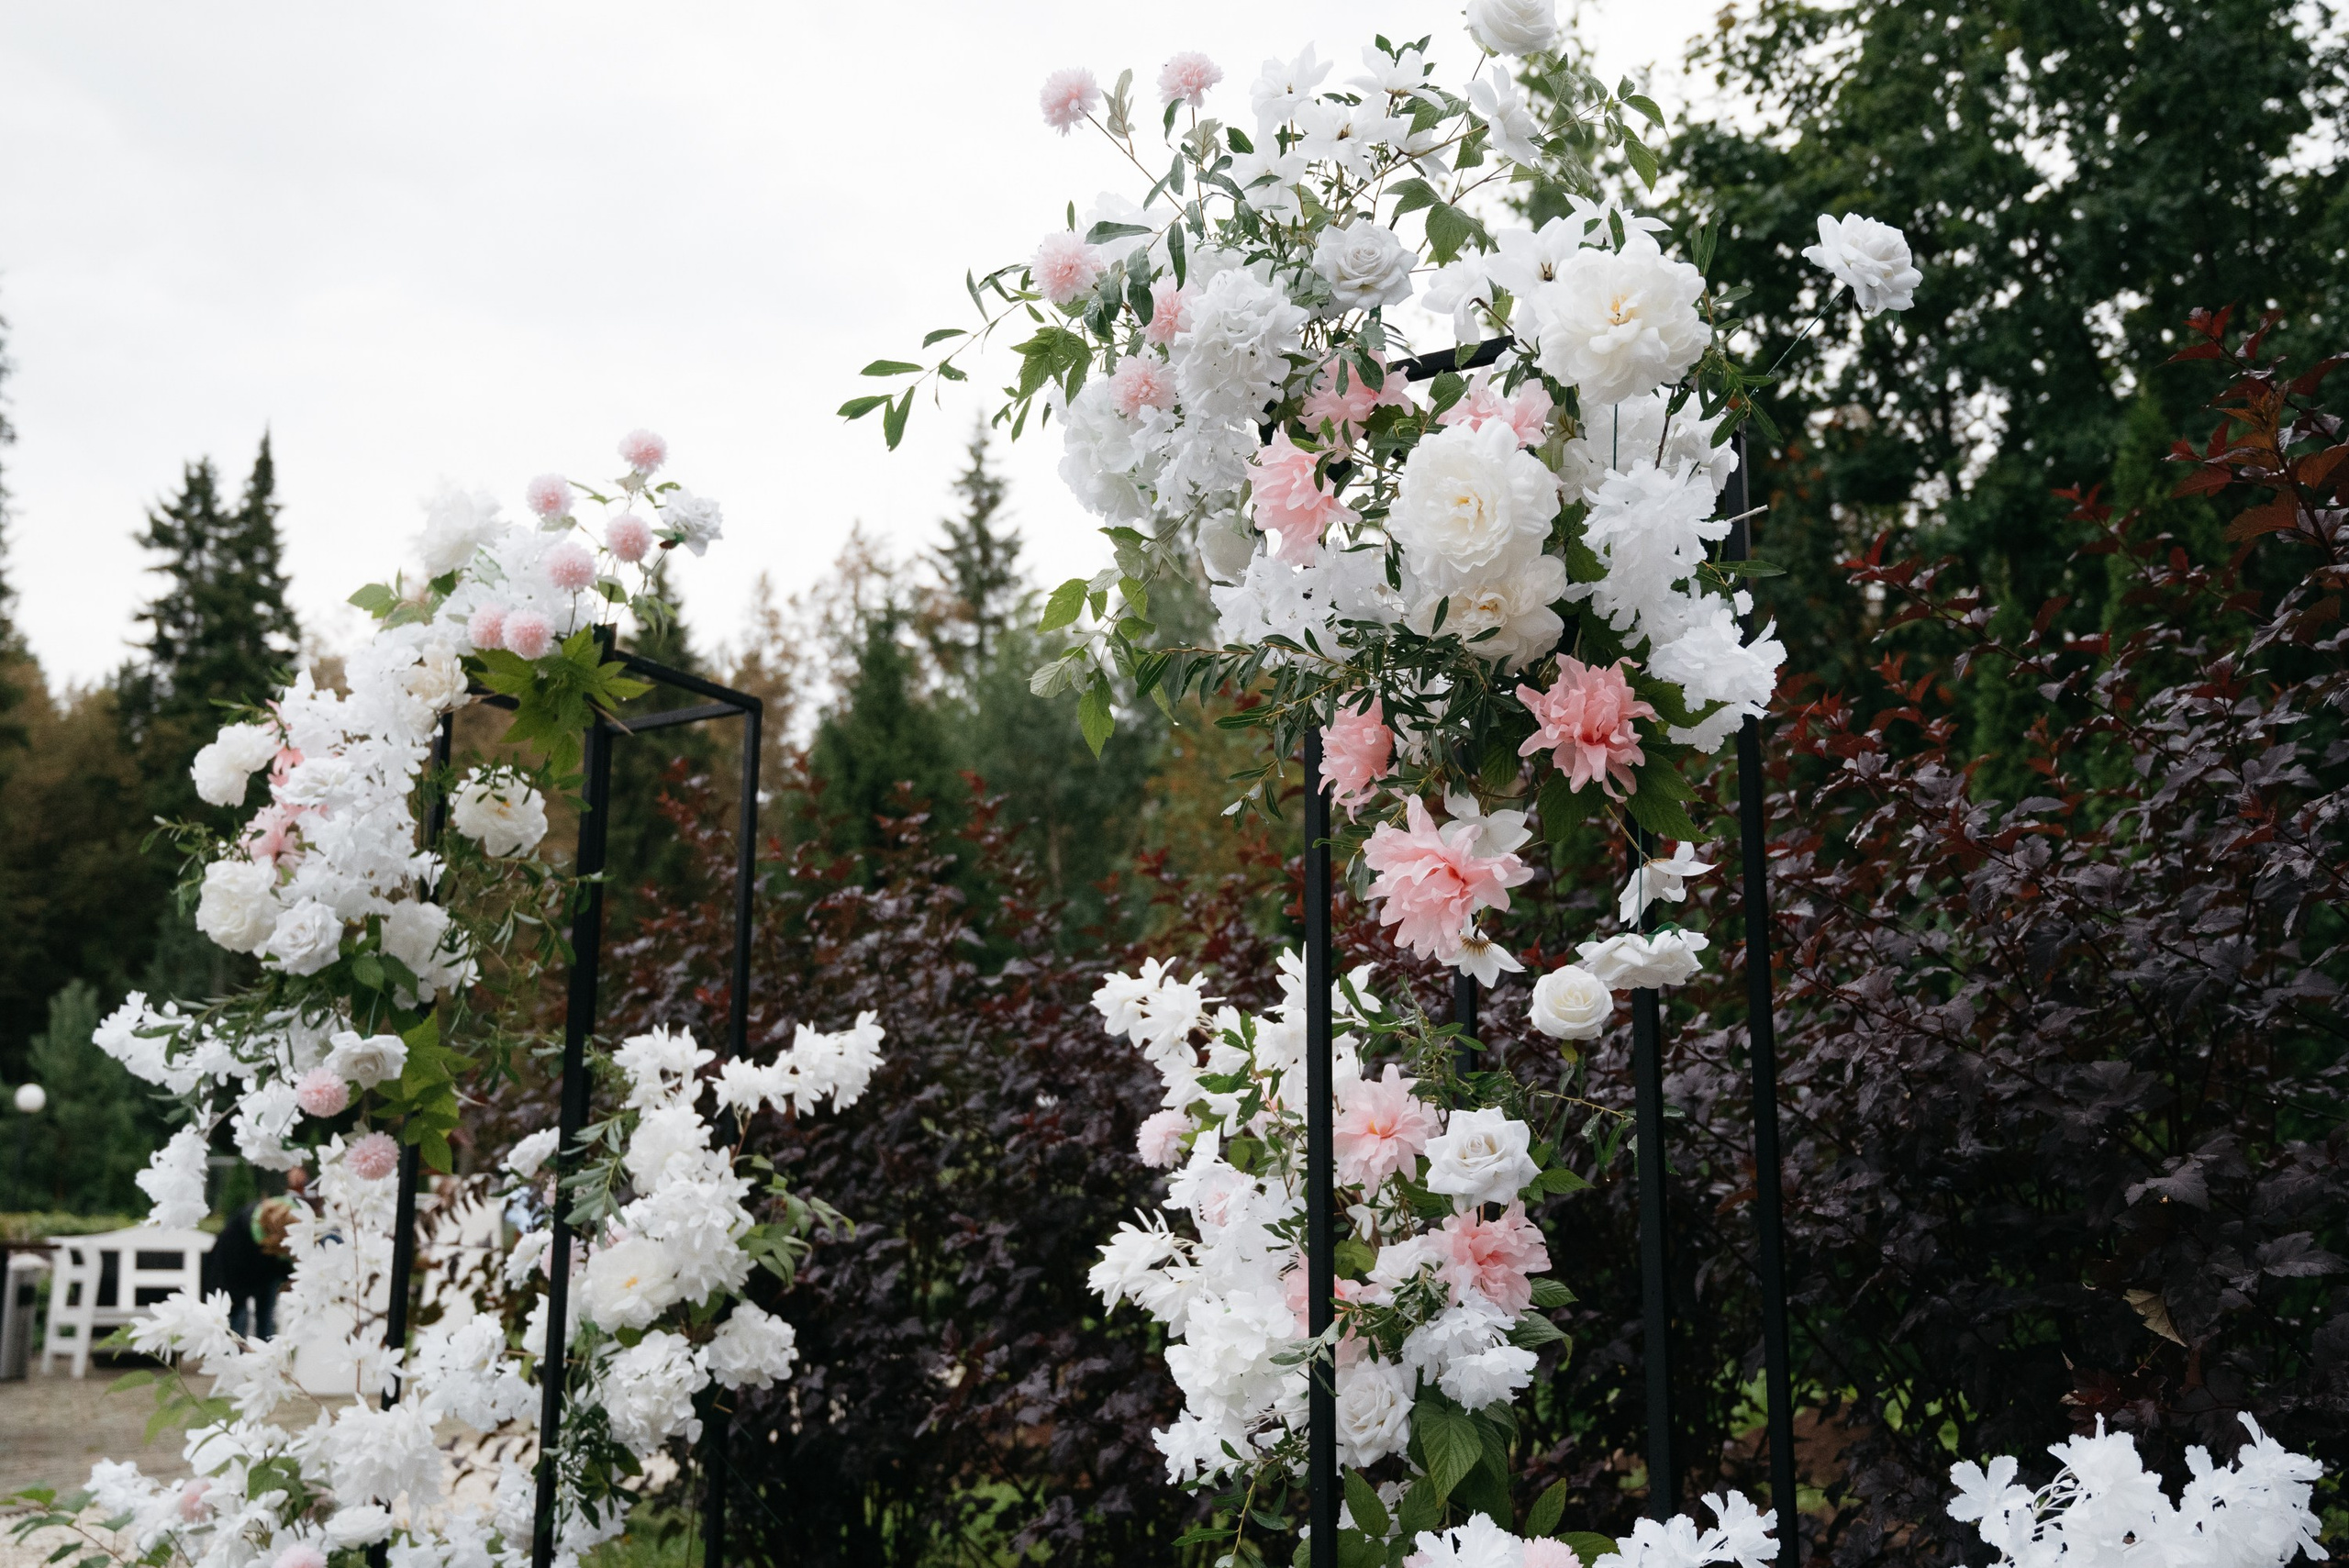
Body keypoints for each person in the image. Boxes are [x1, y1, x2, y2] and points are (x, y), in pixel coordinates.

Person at [209, 1170, 305, 1339]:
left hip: (263, 1269)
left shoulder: (276, 1216)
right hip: (234, 1275)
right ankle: (237, 1357)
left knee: (264, 1316)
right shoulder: (237, 1238)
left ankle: (260, 1354)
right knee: (238, 1318)